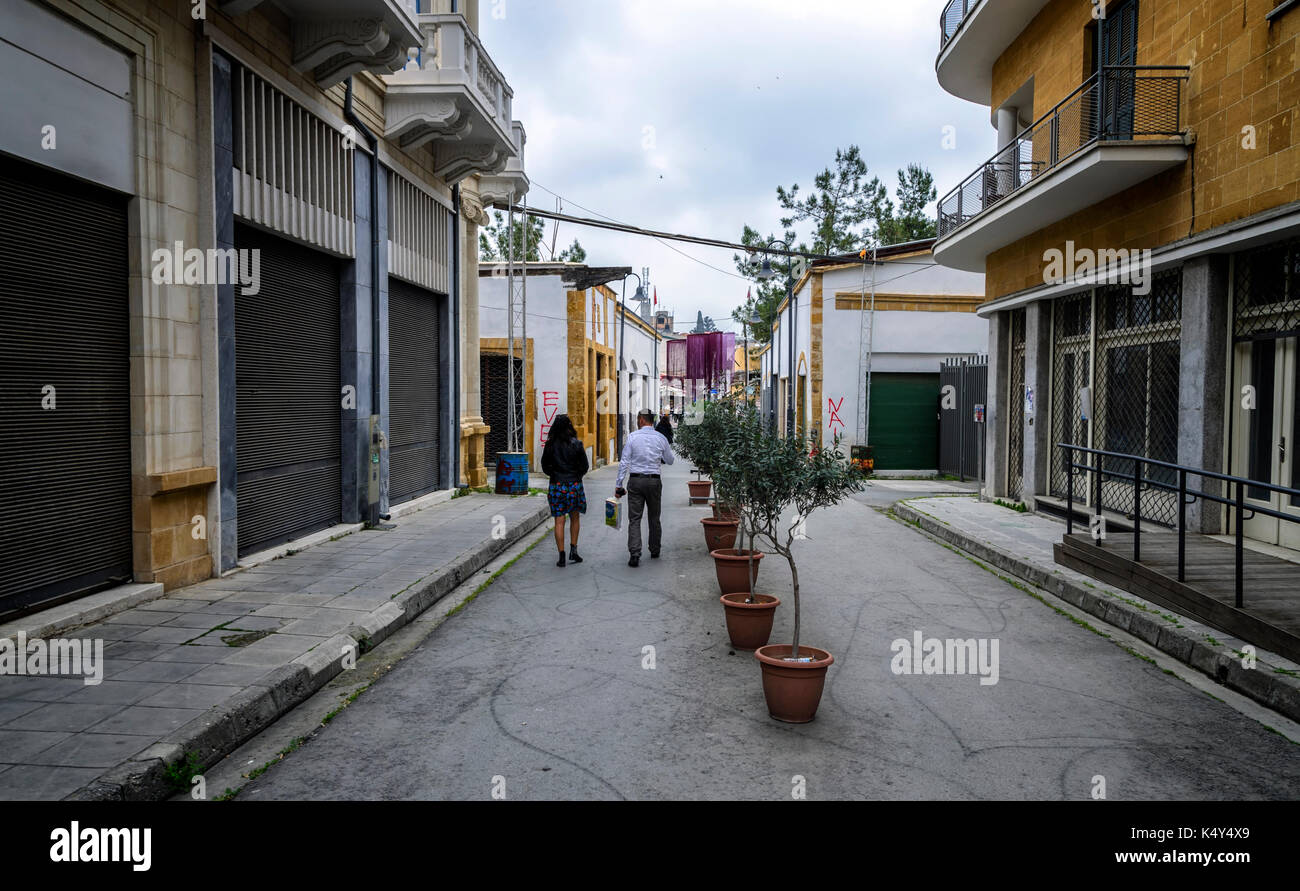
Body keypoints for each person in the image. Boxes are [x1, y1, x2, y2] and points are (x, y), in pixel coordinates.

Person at [614, 409, 674, 567]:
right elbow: (670, 460)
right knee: (654, 517)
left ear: (641, 420)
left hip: (635, 482)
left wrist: (619, 485)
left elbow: (624, 462)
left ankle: (635, 553)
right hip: (654, 481)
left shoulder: (633, 437)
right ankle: (655, 549)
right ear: (652, 420)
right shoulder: (661, 438)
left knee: (634, 518)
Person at [540, 414, 589, 568]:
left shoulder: (550, 445)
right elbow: (584, 466)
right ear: (569, 427)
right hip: (574, 485)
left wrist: (554, 475)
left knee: (559, 521)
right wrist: (576, 476)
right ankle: (573, 550)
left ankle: (561, 555)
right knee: (575, 518)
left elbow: (544, 466)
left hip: (557, 485)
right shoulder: (577, 444)